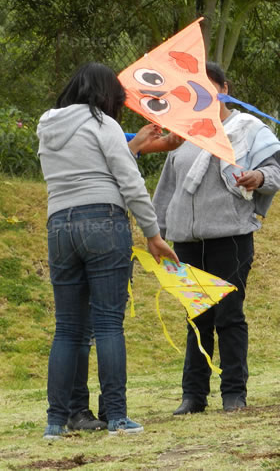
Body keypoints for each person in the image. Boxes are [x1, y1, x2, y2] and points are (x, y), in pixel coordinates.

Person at [37, 62, 179, 439]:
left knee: (67, 328)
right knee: (108, 324)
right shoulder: (103, 123)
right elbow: (129, 181)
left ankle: (55, 422)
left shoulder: (47, 125)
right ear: (106, 96)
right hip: (103, 221)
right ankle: (116, 417)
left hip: (59, 225)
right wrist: (153, 233)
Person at [152, 62, 280, 415]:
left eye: (205, 87)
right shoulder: (182, 134)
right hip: (185, 241)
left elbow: (275, 172)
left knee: (228, 316)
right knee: (197, 318)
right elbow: (167, 188)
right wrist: (158, 233)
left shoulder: (248, 129)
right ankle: (193, 395)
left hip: (230, 237)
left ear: (223, 89)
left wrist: (258, 177)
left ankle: (233, 394)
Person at [66, 124, 184, 433]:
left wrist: (174, 134)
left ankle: (108, 410)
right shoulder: (76, 131)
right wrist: (131, 150)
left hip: (101, 233)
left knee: (103, 326)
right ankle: (80, 411)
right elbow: (105, 171)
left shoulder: (109, 130)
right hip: (88, 228)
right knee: (84, 329)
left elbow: (158, 144)